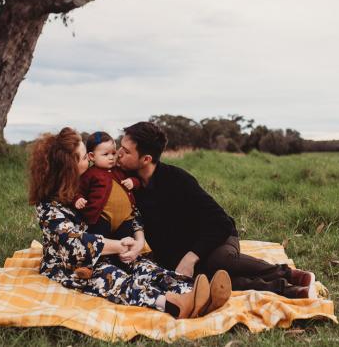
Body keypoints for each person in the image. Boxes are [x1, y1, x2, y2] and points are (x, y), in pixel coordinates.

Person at [28, 127, 231, 318]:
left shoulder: (87, 185)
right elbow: (74, 245)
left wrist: (137, 241)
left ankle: (195, 293)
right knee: (112, 277)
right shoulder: (48, 205)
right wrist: (118, 245)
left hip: (109, 251)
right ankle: (172, 304)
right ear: (68, 168)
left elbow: (128, 210)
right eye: (83, 157)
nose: (89, 160)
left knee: (145, 267)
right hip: (71, 265)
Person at [118, 122, 317, 299]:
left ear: (146, 159)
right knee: (212, 281)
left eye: (126, 151)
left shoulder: (178, 180)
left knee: (219, 261)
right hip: (177, 257)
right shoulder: (126, 182)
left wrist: (191, 257)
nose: (118, 153)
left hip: (215, 240)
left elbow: (220, 223)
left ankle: (287, 274)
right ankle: (287, 290)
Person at [74, 131, 139, 241]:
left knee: (126, 243)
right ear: (92, 156)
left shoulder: (120, 170)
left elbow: (137, 180)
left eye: (113, 153)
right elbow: (78, 190)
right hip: (101, 218)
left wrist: (133, 182)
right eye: (105, 154)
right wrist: (78, 198)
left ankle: (124, 256)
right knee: (101, 242)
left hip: (125, 219)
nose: (111, 157)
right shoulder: (90, 174)